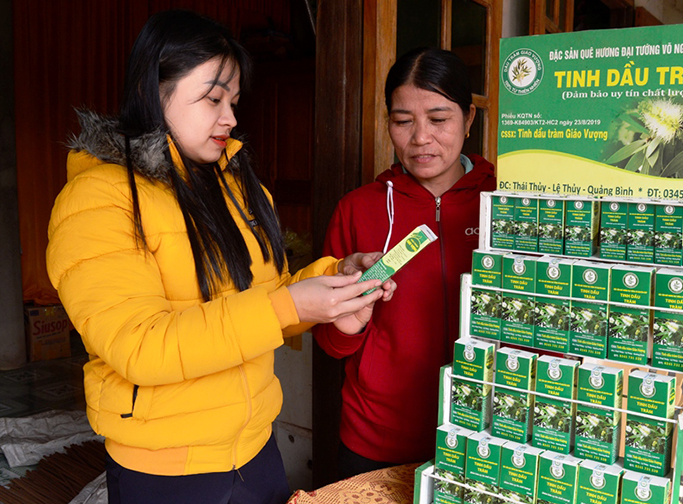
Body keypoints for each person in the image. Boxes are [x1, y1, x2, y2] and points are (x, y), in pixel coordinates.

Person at [46, 10, 393, 504]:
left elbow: (261, 304)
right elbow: (140, 345)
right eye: (212, 98)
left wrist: (333, 284)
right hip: (168, 473)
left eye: (232, 100)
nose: (230, 117)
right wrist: (291, 306)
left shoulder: (240, 190)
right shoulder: (100, 199)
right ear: (153, 91)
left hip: (257, 452)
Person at [312, 47, 497, 478]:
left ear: (469, 119)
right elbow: (331, 344)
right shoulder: (357, 209)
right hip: (375, 437)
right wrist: (350, 319)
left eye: (438, 119)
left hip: (485, 436)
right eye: (402, 121)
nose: (420, 138)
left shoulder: (506, 205)